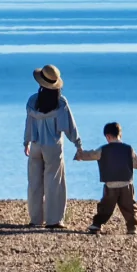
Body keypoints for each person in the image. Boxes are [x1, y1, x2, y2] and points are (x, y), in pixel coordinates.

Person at [23, 63, 82, 229]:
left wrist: (26, 141)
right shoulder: (60, 103)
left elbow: (29, 123)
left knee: (34, 183)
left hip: (35, 145)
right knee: (54, 183)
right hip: (53, 147)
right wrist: (78, 144)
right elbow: (70, 126)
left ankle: (35, 219)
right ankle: (53, 220)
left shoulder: (32, 102)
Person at [76, 122, 137, 236]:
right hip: (126, 184)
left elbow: (91, 155)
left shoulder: (103, 149)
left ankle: (97, 224)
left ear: (108, 136)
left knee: (106, 206)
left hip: (110, 184)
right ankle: (132, 227)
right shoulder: (128, 149)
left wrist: (80, 155)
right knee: (129, 206)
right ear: (120, 135)